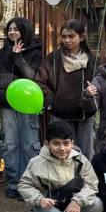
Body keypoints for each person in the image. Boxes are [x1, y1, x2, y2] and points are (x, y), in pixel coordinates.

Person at [17, 120, 103, 212]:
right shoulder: (36, 163)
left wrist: (77, 201)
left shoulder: (80, 159)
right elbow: (24, 185)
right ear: (47, 143)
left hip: (70, 200)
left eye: (66, 143)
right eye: (56, 143)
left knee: (97, 204)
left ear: (72, 143)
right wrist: (39, 200)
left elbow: (92, 183)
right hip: (47, 203)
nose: (62, 148)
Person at [0, 17, 43, 199]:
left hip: (28, 105)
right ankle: (13, 182)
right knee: (10, 144)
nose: (12, 32)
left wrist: (18, 57)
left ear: (25, 31)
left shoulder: (36, 52)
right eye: (10, 29)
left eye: (16, 29)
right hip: (7, 105)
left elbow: (32, 77)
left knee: (29, 144)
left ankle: (28, 184)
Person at [35, 20, 98, 159]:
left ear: (81, 37)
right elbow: (39, 82)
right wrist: (52, 101)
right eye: (64, 37)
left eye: (71, 36)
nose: (67, 40)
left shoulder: (92, 59)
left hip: (84, 115)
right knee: (60, 154)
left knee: (85, 155)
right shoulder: (53, 58)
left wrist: (91, 95)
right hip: (60, 113)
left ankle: (84, 180)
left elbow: (100, 83)